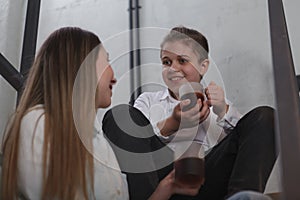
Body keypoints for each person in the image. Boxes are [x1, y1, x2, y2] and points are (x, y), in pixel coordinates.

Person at [0, 27, 200, 200]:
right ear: (82, 69)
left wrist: (167, 187)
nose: (114, 76)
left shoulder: (98, 142)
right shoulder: (37, 124)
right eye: (106, 62)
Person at [130, 26, 277, 199]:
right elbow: (136, 143)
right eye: (166, 62)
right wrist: (171, 123)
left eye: (182, 61)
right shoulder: (147, 101)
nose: (173, 68)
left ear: (203, 66)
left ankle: (241, 197)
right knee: (129, 119)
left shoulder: (219, 105)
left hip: (208, 183)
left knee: (266, 116)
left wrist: (223, 110)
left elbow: (249, 143)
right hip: (164, 185)